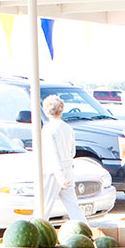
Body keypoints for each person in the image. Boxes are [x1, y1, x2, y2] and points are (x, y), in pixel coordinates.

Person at [40, 94, 85, 222]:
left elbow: (52, 154)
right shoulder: (68, 128)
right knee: (73, 206)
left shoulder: (48, 129)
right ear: (61, 110)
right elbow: (72, 151)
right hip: (68, 168)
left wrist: (59, 175)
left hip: (54, 171)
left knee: (45, 207)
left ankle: (38, 231)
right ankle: (85, 230)